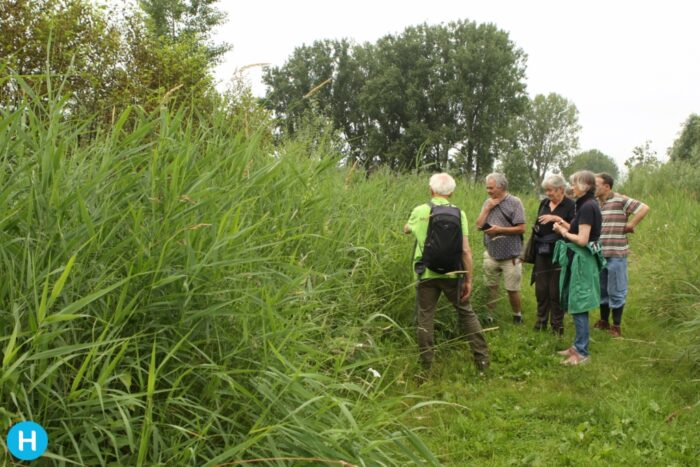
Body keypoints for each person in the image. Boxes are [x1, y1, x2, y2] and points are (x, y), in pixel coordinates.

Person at [404, 173, 489, 372]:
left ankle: (426, 365)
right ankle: (482, 361)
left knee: (425, 316)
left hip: (426, 273)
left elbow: (407, 229)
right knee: (467, 314)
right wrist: (468, 278)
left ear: (430, 190)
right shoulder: (460, 214)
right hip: (453, 273)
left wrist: (412, 225)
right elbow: (466, 250)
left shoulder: (421, 210)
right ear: (451, 192)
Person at [552, 170, 605, 365]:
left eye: (574, 184)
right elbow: (579, 229)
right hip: (579, 259)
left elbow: (582, 240)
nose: (571, 187)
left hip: (582, 260)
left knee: (579, 304)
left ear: (584, 186)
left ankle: (582, 353)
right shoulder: (585, 204)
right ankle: (576, 346)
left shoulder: (587, 207)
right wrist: (563, 225)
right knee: (575, 302)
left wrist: (562, 232)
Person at [593, 173, 650, 337]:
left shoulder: (620, 200)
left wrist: (631, 223)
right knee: (602, 289)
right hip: (600, 254)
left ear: (607, 187)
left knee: (616, 289)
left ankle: (616, 326)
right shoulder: (595, 203)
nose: (593, 187)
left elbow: (644, 208)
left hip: (617, 253)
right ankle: (604, 321)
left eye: (596, 184)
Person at [475, 173, 526, 323]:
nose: (488, 191)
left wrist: (499, 230)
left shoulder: (515, 202)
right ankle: (489, 317)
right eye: (487, 188)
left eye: (491, 188)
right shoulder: (487, 202)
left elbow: (522, 228)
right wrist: (486, 209)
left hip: (511, 256)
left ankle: (517, 315)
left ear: (501, 187)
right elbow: (478, 225)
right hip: (491, 254)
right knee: (490, 287)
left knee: (512, 289)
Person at [530, 174, 576, 334]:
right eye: (546, 190)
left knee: (556, 289)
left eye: (551, 190)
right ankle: (541, 321)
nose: (548, 193)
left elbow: (575, 229)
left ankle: (557, 326)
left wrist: (557, 218)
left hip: (561, 251)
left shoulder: (571, 205)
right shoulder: (544, 203)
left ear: (561, 189)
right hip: (542, 250)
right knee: (541, 288)